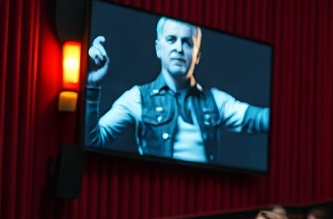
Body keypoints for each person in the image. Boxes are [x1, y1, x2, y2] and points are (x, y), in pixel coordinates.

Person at [84, 18, 269, 163]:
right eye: (171, 39)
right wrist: (92, 85)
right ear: (158, 48)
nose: (179, 48)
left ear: (197, 56)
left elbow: (261, 119)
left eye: (187, 42)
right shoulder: (137, 97)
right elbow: (92, 141)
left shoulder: (216, 101)